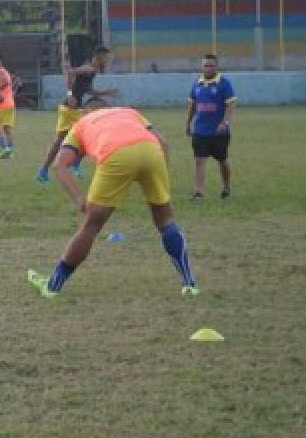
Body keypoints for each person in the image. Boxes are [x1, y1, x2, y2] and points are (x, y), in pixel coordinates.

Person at [27, 100, 199, 298]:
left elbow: (59, 165)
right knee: (165, 219)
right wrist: (159, 177)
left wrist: (80, 199)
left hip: (115, 155)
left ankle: (52, 286)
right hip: (152, 151)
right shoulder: (129, 112)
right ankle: (189, 283)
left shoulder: (81, 123)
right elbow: (164, 143)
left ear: (85, 111)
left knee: (91, 227)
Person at [37, 46, 117, 183]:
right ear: (99, 57)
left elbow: (88, 90)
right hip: (71, 109)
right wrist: (69, 94)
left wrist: (106, 93)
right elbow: (70, 72)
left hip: (69, 109)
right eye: (106, 58)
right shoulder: (89, 68)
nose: (107, 61)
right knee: (89, 134)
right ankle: (74, 164)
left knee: (59, 142)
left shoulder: (93, 71)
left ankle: (43, 172)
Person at [185, 54, 236, 200]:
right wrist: (187, 123)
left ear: (216, 66)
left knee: (222, 160)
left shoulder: (224, 83)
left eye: (211, 65)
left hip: (219, 132)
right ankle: (199, 192)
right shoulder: (197, 83)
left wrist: (224, 122)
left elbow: (231, 104)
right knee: (199, 160)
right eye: (205, 65)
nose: (208, 68)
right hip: (200, 130)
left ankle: (226, 186)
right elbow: (192, 105)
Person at [0, 52, 19, 158]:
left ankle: (6, 149)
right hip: (9, 103)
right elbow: (8, 83)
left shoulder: (0, 71)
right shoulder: (4, 71)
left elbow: (5, 83)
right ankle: (10, 151)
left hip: (0, 104)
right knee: (6, 129)